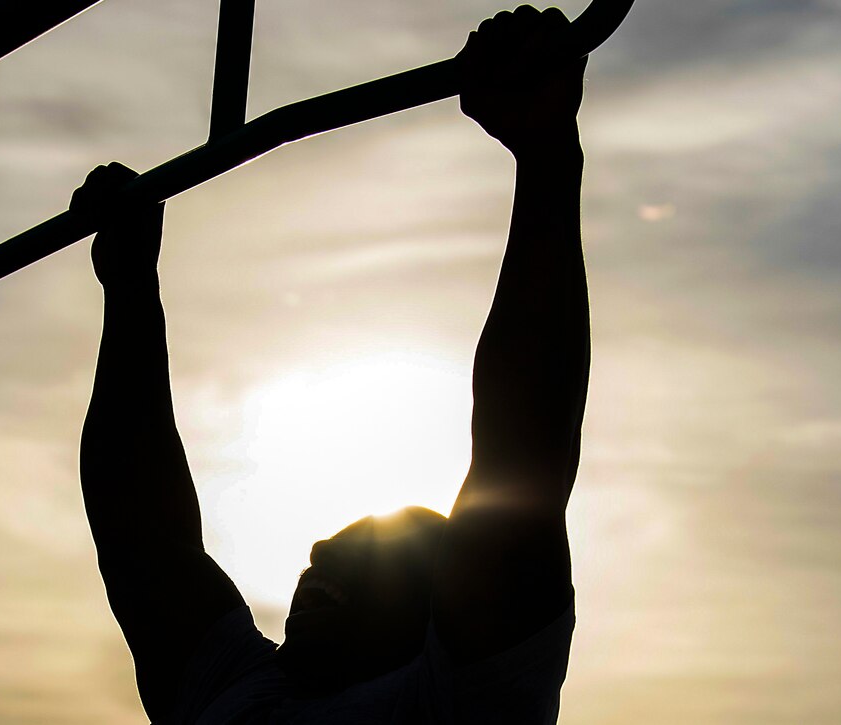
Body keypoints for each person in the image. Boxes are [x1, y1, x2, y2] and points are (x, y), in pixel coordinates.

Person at [71, 6, 591, 723]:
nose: (318, 550)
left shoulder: (460, 700)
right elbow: (141, 538)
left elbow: (521, 454)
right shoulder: (235, 691)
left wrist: (547, 157)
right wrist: (129, 294)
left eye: (371, 555)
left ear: (445, 600)